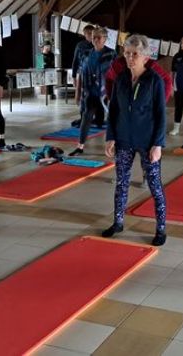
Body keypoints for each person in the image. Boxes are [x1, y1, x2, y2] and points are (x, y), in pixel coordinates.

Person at [103, 34, 167, 246]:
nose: (130, 58)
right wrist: (110, 137)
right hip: (123, 139)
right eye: (127, 53)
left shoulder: (154, 81)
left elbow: (161, 115)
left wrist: (158, 144)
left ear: (145, 57)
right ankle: (118, 222)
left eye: (135, 54)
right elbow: (113, 111)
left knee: (155, 186)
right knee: (121, 183)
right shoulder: (120, 79)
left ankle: (161, 229)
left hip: (148, 142)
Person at [69, 27, 116, 156]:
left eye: (98, 37)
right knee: (86, 118)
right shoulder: (86, 53)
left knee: (113, 119)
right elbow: (81, 74)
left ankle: (113, 146)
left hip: (107, 93)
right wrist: (78, 93)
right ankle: (80, 146)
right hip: (90, 92)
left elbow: (118, 75)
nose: (95, 39)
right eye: (94, 37)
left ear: (105, 39)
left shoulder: (111, 54)